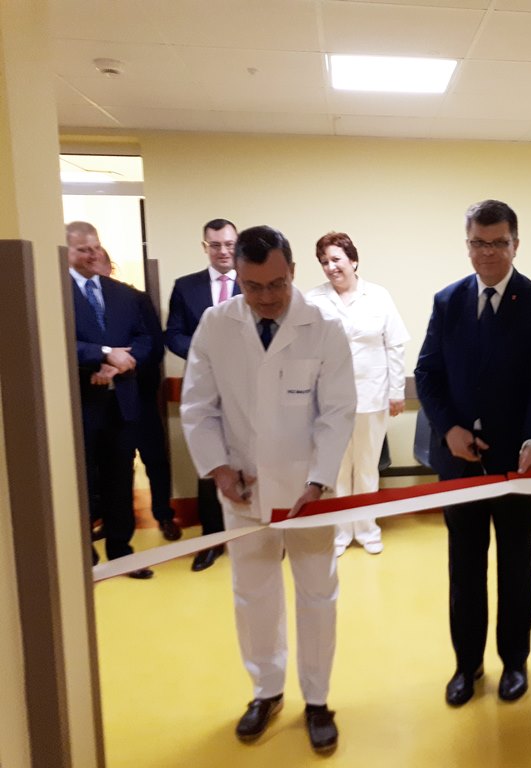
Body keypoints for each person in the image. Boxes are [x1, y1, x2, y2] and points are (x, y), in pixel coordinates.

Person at [180, 225, 356, 754]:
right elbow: (198, 407)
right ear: (237, 277)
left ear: (292, 272)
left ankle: (318, 699)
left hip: (309, 493)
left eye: (276, 284)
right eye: (253, 286)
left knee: (317, 594)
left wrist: (319, 478)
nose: (266, 297)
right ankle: (266, 691)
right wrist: (218, 469)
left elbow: (337, 412)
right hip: (244, 489)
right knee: (253, 595)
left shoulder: (323, 325)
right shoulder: (216, 325)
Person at [414, 199, 531, 707]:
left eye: (498, 242)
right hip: (460, 462)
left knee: (516, 567)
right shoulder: (448, 302)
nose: (488, 252)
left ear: (515, 245)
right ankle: (467, 665)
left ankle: (514, 662)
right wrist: (448, 429)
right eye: (478, 242)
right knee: (465, 568)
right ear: (468, 244)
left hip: (518, 465)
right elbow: (428, 373)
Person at [306, 232, 409, 556]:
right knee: (335, 469)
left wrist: (396, 391)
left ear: (353, 260)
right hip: (329, 400)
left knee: (366, 467)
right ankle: (339, 533)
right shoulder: (313, 300)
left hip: (372, 395)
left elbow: (394, 345)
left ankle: (366, 529)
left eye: (336, 259)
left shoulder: (378, 296)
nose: (331, 267)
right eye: (324, 262)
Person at [67, 222, 156, 579]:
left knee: (120, 478)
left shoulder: (122, 294)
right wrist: (103, 355)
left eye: (96, 247)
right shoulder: (55, 292)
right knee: (83, 481)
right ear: (66, 251)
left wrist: (119, 364)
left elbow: (145, 339)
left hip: (121, 402)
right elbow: (60, 340)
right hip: (80, 404)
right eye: (83, 249)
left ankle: (121, 551)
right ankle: (83, 555)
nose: (92, 255)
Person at [165, 218, 240, 571]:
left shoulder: (255, 282)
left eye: (229, 244)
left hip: (247, 388)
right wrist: (204, 352)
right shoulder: (186, 287)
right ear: (205, 247)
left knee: (253, 457)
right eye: (216, 245)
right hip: (204, 388)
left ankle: (257, 535)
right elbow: (173, 334)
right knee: (211, 461)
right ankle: (212, 540)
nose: (223, 251)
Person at [97, 247, 182, 542]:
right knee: (113, 465)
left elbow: (154, 346)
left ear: (110, 267)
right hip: (101, 401)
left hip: (140, 393)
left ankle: (163, 515)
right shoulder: (76, 303)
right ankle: (113, 521)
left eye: (99, 264)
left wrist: (124, 365)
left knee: (155, 459)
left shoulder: (135, 299)